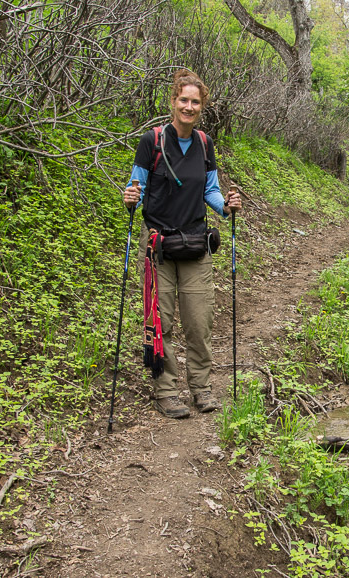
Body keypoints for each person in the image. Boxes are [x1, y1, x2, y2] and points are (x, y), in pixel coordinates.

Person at [122, 69, 242, 419]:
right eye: (183, 100)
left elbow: (210, 190)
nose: (188, 107)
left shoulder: (204, 143)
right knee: (161, 320)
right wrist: (130, 197)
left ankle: (201, 389)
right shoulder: (152, 140)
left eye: (195, 102)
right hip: (157, 244)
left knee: (199, 319)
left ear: (202, 106)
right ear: (173, 102)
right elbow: (137, 185)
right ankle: (167, 391)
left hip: (194, 242)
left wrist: (226, 206)